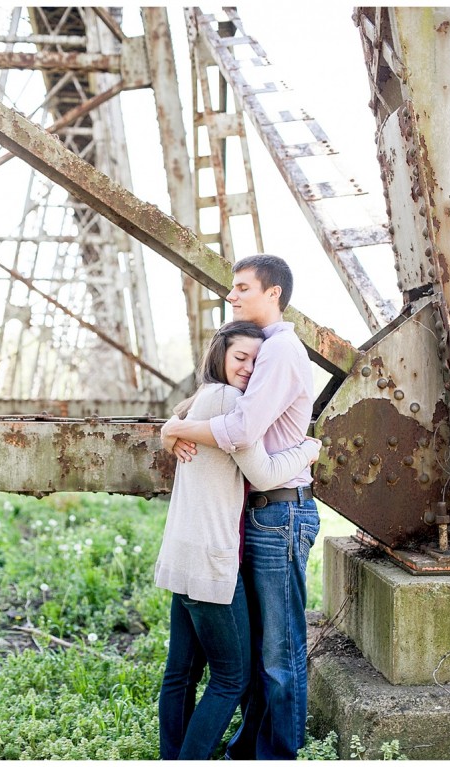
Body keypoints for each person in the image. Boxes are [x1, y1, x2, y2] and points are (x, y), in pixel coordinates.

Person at [161, 254, 318, 759]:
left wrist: (176, 427)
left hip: (280, 512)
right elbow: (241, 430)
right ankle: (248, 748)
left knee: (277, 654)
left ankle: (274, 754)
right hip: (256, 517)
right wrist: (174, 427)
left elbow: (244, 433)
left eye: (242, 287)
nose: (232, 294)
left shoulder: (280, 351)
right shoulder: (236, 379)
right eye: (239, 359)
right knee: (253, 658)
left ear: (273, 293)